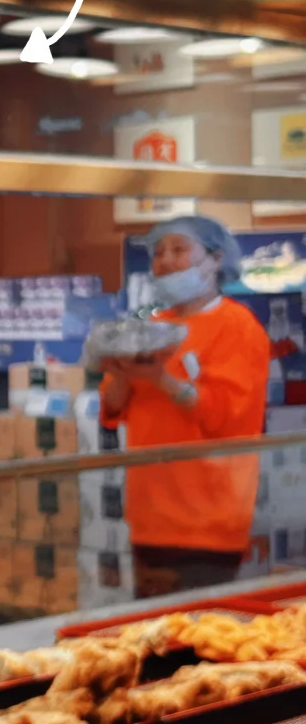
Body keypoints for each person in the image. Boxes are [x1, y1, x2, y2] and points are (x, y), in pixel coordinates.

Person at [99, 216, 269, 598]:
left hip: (209, 521)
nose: (165, 261)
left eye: (178, 249)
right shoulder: (149, 327)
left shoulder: (239, 327)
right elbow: (111, 408)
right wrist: (122, 373)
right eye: (158, 253)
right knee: (154, 627)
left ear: (215, 259)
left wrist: (161, 379)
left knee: (198, 628)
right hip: (147, 517)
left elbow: (225, 417)